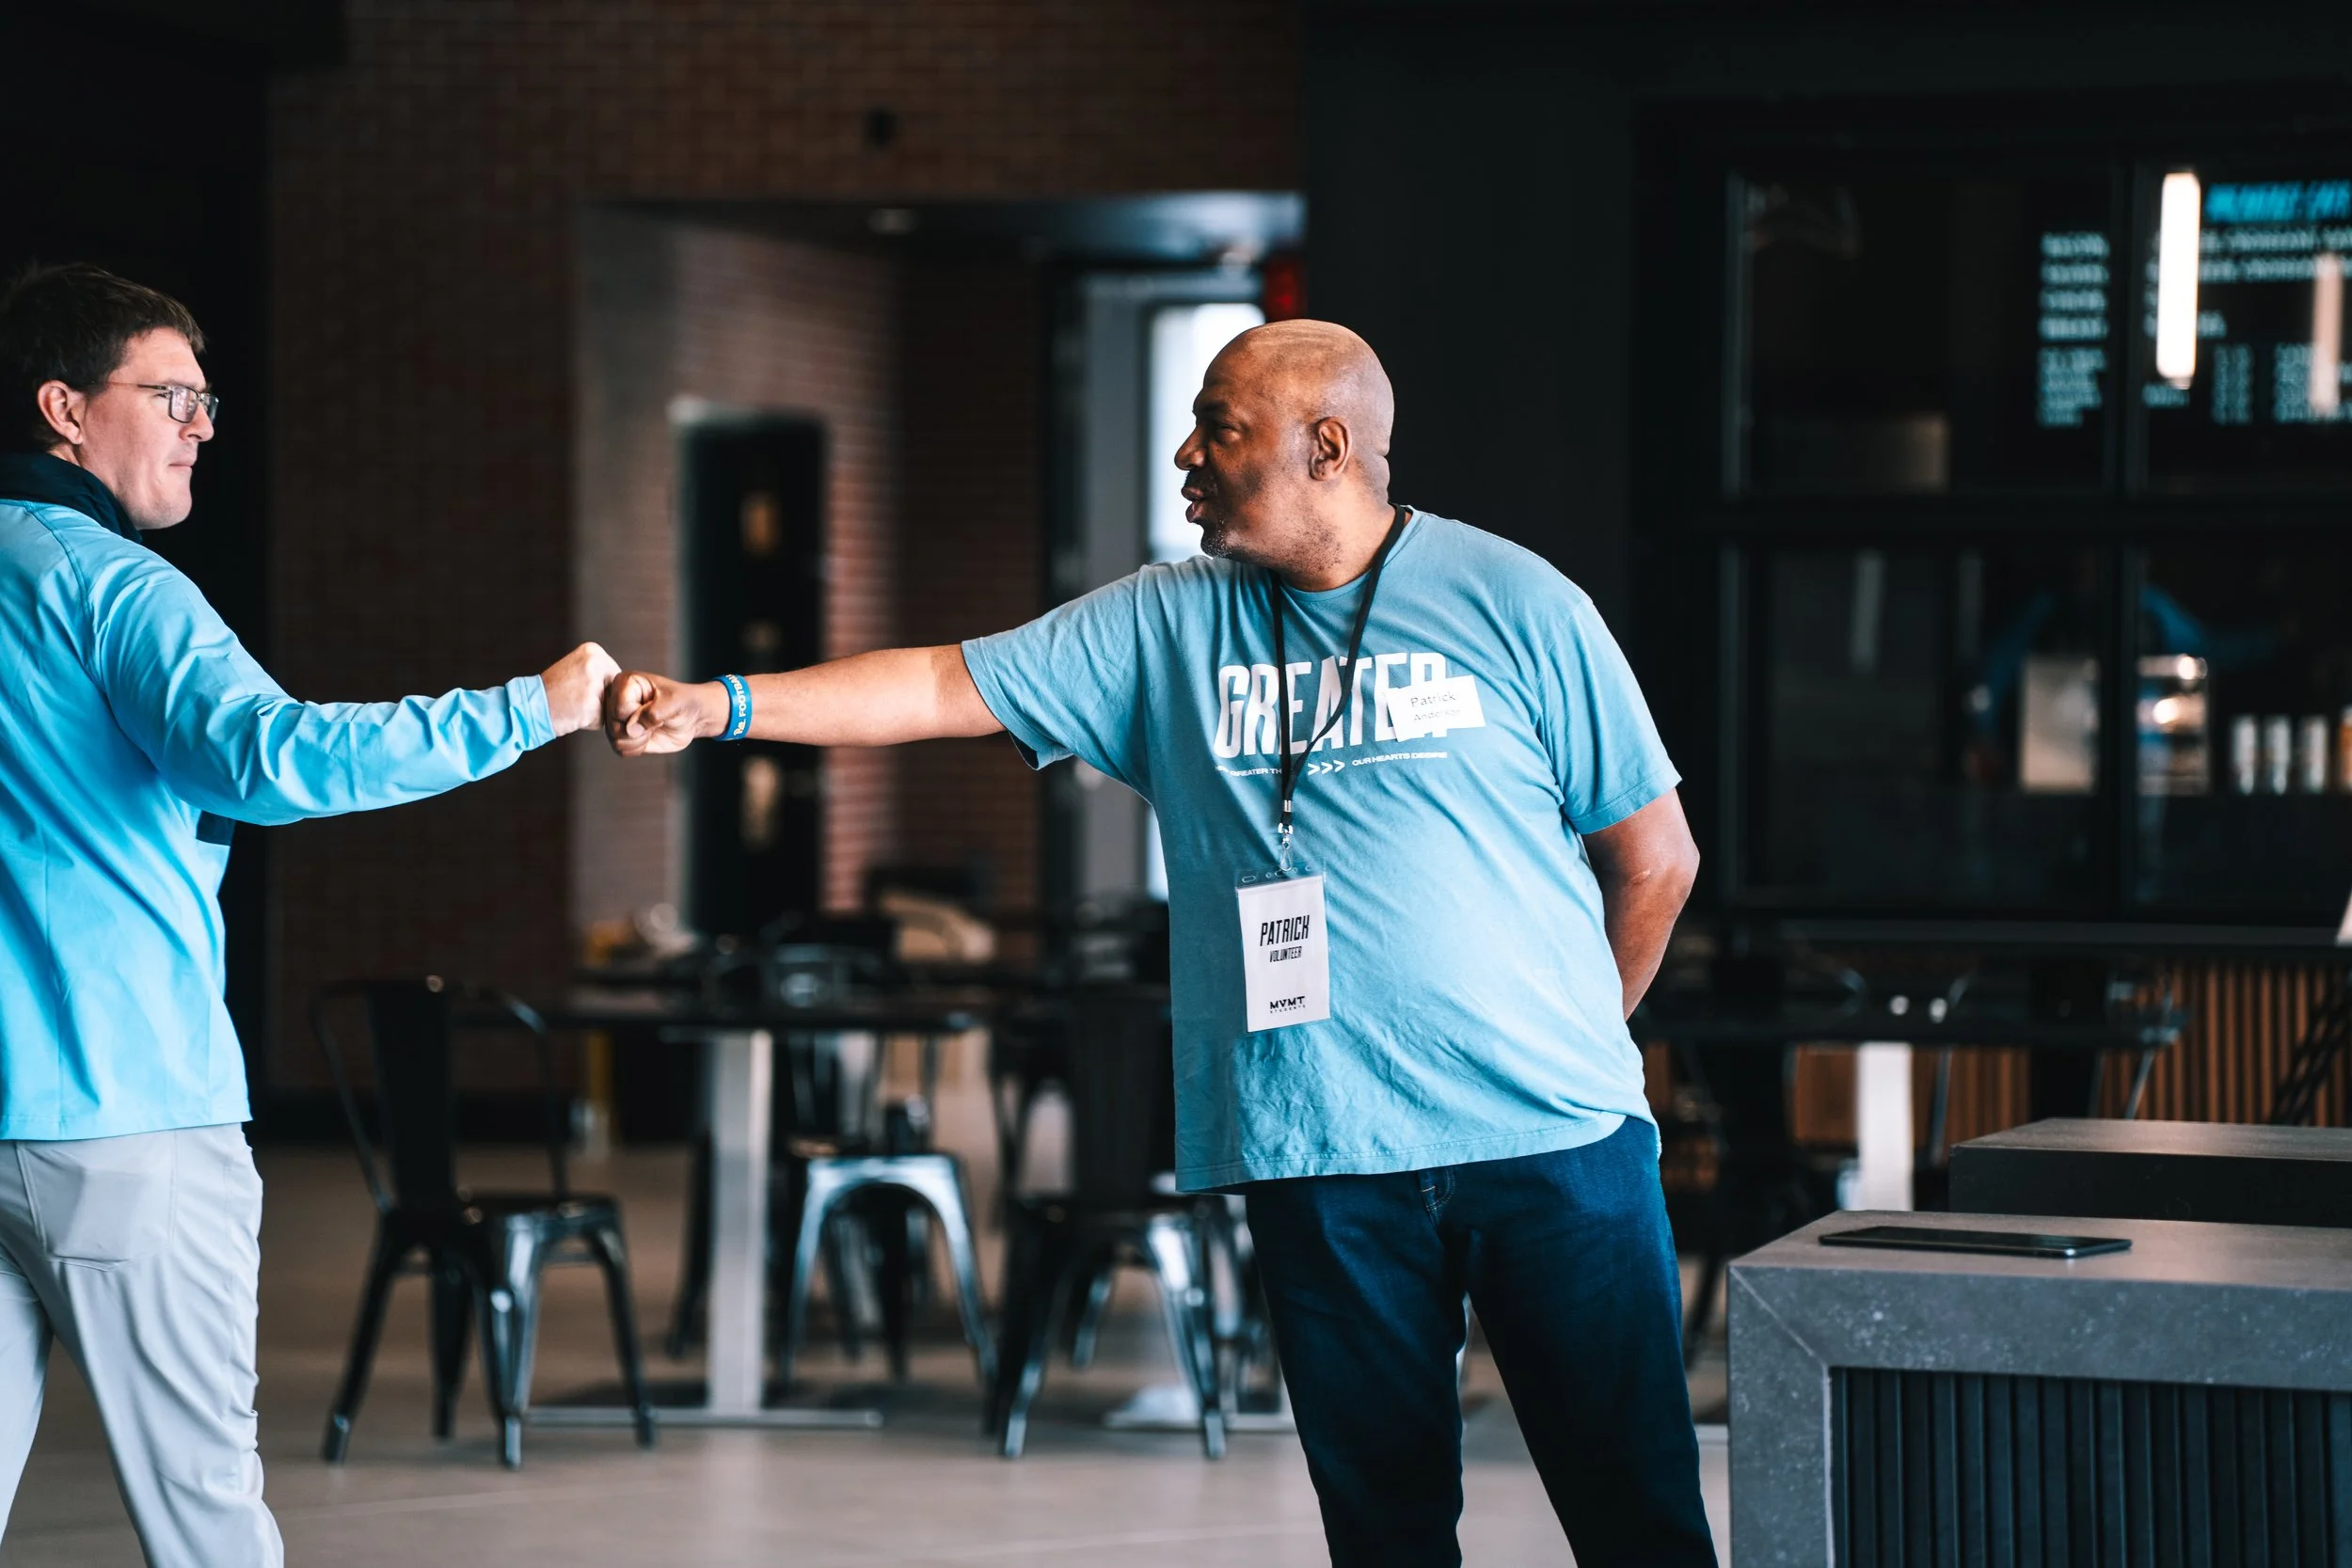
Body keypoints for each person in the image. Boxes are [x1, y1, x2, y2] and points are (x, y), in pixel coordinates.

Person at [606, 319, 1714, 1566]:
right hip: (1322, 1148)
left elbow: (1656, 860)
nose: (1187, 453)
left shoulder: (1518, 602)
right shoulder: (1167, 623)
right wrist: (720, 706)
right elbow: (938, 686)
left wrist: (1573, 1040)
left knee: (1637, 1518)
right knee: (1386, 1533)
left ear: (1328, 447)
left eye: (1220, 429)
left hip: (1555, 1145)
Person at [0, 262, 617, 1566]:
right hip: (125, 1116)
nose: (201, 427)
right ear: (65, 408)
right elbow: (271, 758)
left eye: (206, 401)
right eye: (171, 396)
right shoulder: (112, 586)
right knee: (207, 1523)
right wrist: (536, 707)